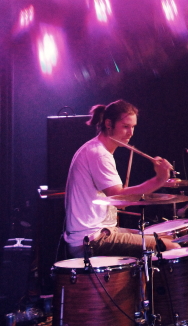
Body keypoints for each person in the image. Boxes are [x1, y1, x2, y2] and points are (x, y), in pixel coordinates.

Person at [64, 100, 179, 258]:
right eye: (125, 126)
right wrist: (159, 179)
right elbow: (119, 197)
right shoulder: (98, 154)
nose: (131, 133)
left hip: (99, 234)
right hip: (92, 240)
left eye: (133, 127)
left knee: (165, 237)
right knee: (172, 246)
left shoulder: (97, 149)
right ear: (109, 124)